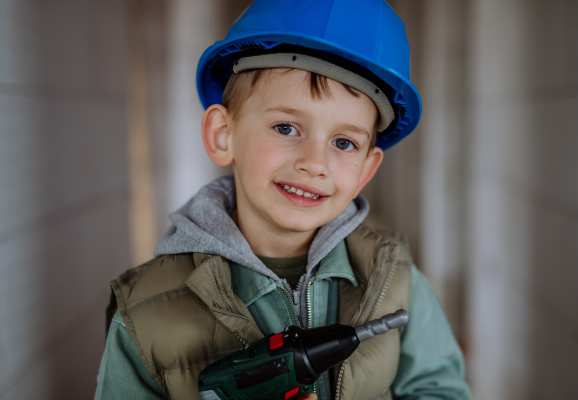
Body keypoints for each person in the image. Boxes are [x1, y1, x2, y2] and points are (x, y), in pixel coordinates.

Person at [95, 1, 472, 399]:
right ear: (224, 135)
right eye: (287, 127)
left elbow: (441, 390)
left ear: (365, 169)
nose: (314, 163)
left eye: (344, 142)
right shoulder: (143, 312)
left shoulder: (393, 279)